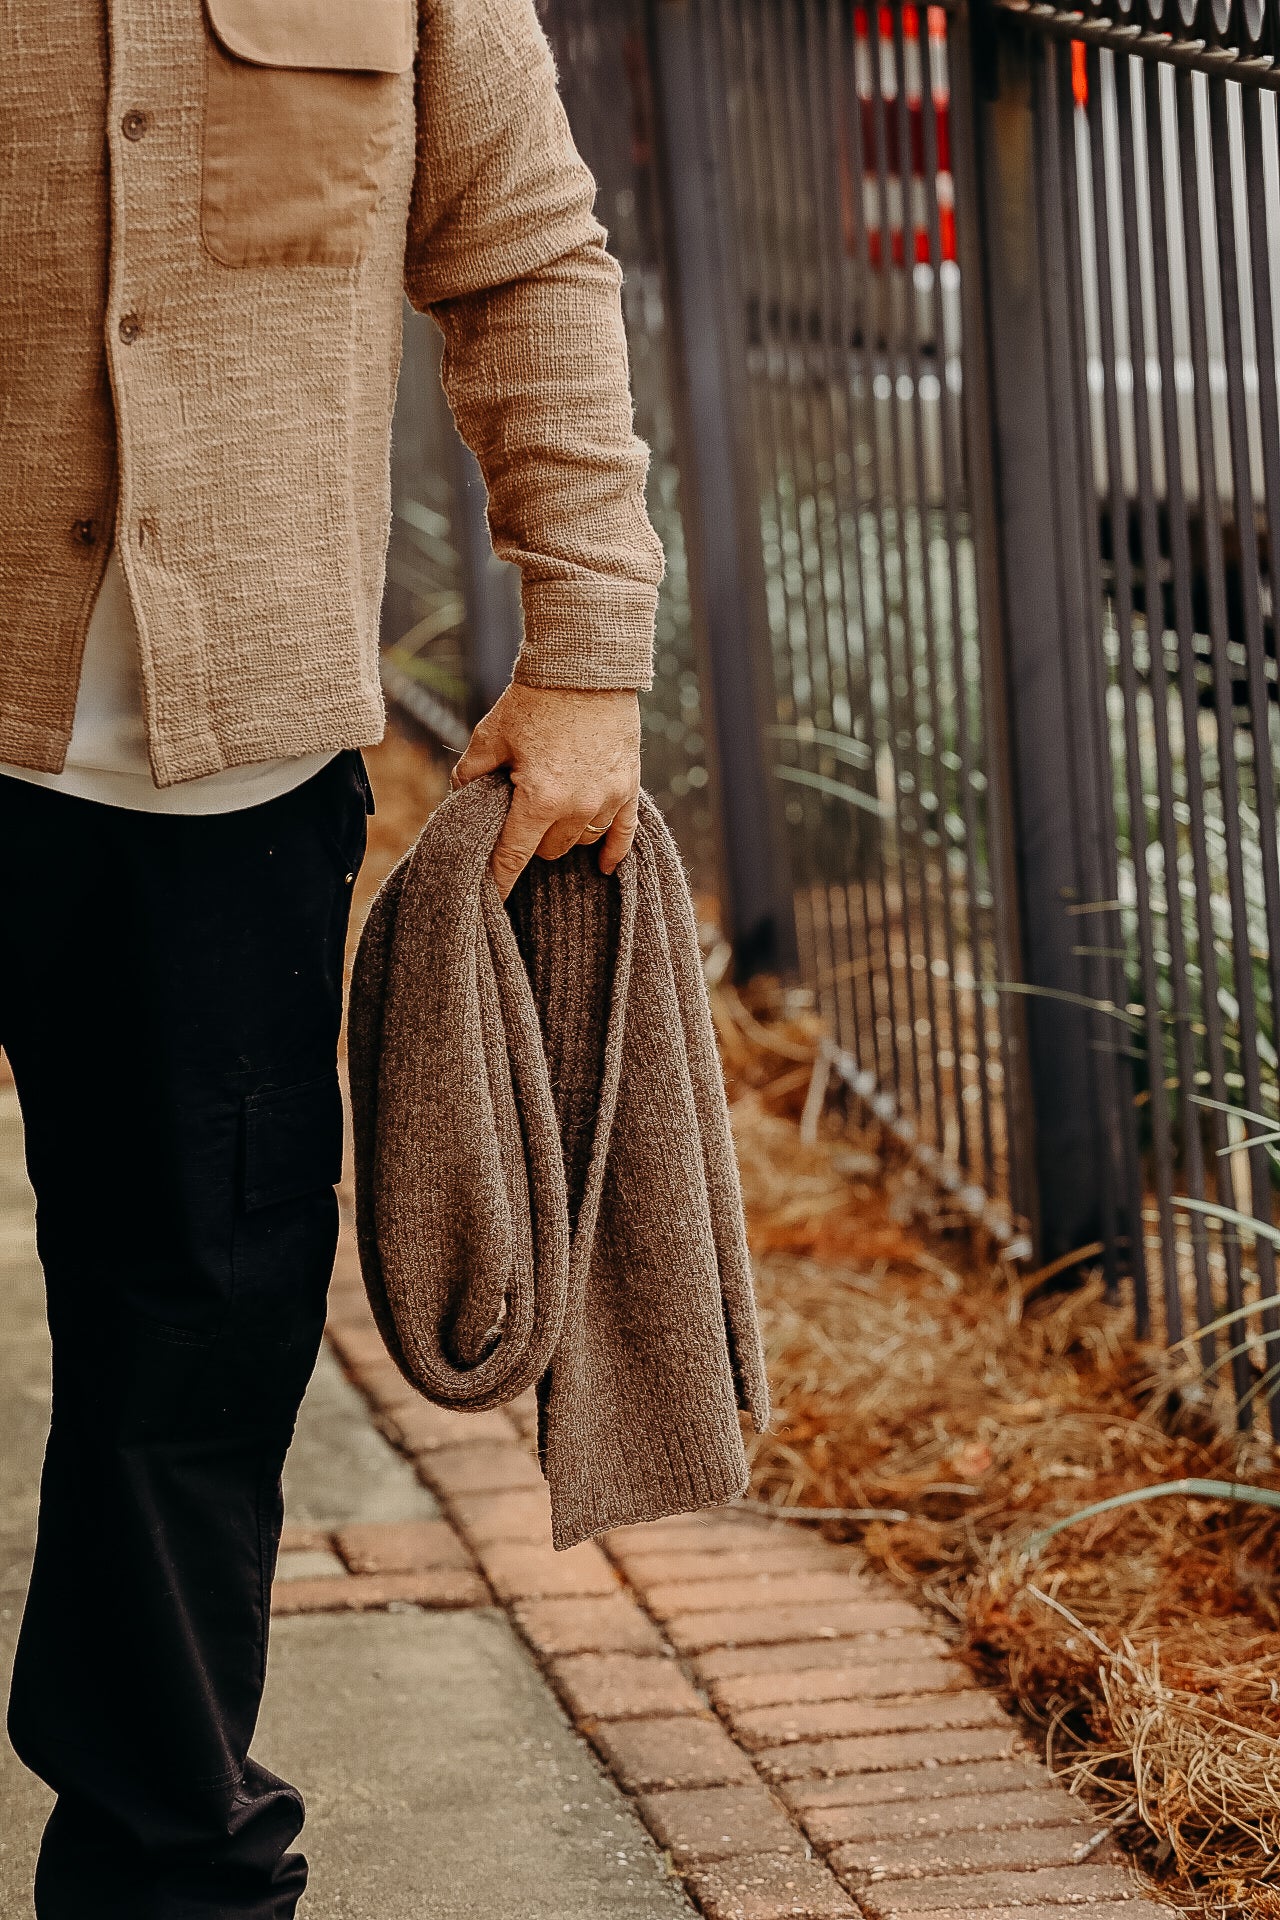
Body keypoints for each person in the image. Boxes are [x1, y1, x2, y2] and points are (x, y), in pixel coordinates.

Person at [0, 2, 663, 1913]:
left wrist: (590, 648)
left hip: (234, 779)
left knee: (189, 1372)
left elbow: (522, 245)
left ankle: (165, 1870)